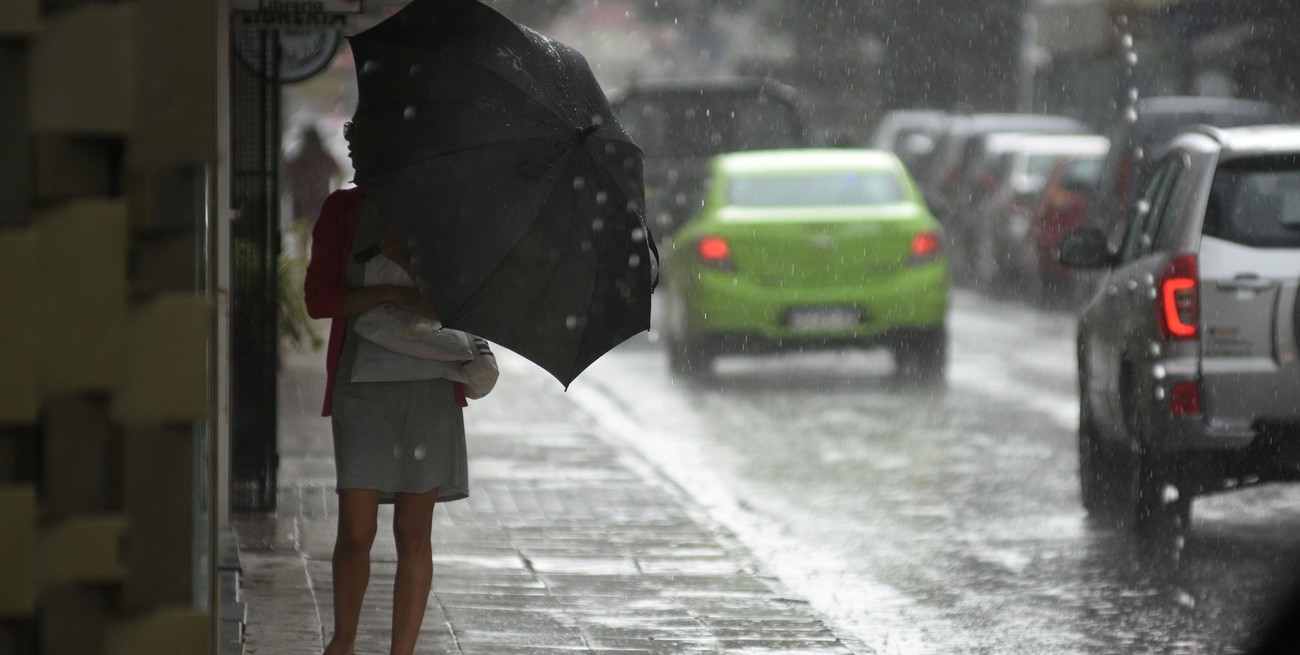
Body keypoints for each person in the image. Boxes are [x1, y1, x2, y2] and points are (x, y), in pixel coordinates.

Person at [304, 119, 469, 655]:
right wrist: (383, 298)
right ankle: (343, 642)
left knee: (413, 532)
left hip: (428, 386)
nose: (357, 154)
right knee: (356, 529)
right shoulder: (342, 211)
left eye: (367, 144)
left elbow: (459, 301)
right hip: (362, 384)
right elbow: (319, 300)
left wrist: (405, 261)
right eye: (353, 146)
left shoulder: (439, 214)